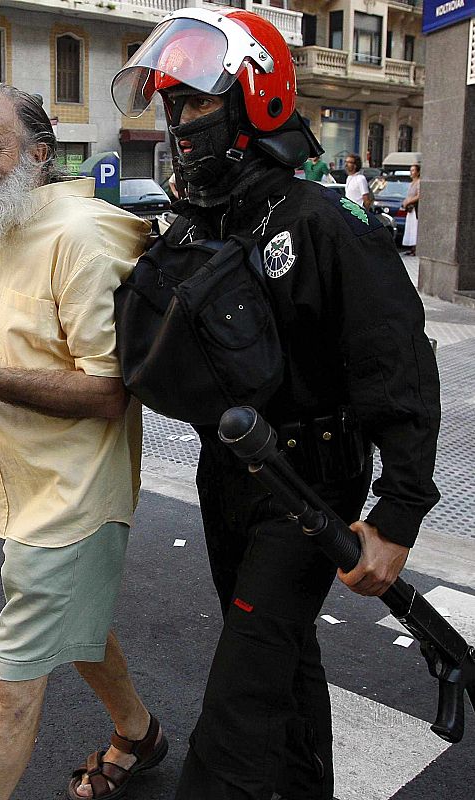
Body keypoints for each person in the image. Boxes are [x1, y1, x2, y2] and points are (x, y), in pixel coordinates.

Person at [111, 9, 440, 800]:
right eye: (171, 107)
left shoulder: (326, 222)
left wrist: (397, 517)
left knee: (239, 705)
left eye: (193, 104)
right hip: (227, 479)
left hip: (308, 488)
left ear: (254, 99)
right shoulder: (196, 228)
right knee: (284, 666)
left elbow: (400, 368)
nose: (179, 125)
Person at [0, 84, 166, 800]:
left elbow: (110, 391)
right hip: (23, 482)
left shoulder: (78, 238)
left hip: (77, 497)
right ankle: (140, 736)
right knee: (79, 627)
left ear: (40, 155)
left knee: (11, 690)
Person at [401, 162, 420, 256]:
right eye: (410, 170)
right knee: (410, 228)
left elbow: (419, 195)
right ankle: (411, 247)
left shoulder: (419, 182)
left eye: (413, 170)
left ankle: (416, 248)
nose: (411, 172)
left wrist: (409, 201)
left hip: (415, 208)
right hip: (409, 209)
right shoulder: (411, 183)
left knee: (415, 228)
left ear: (418, 172)